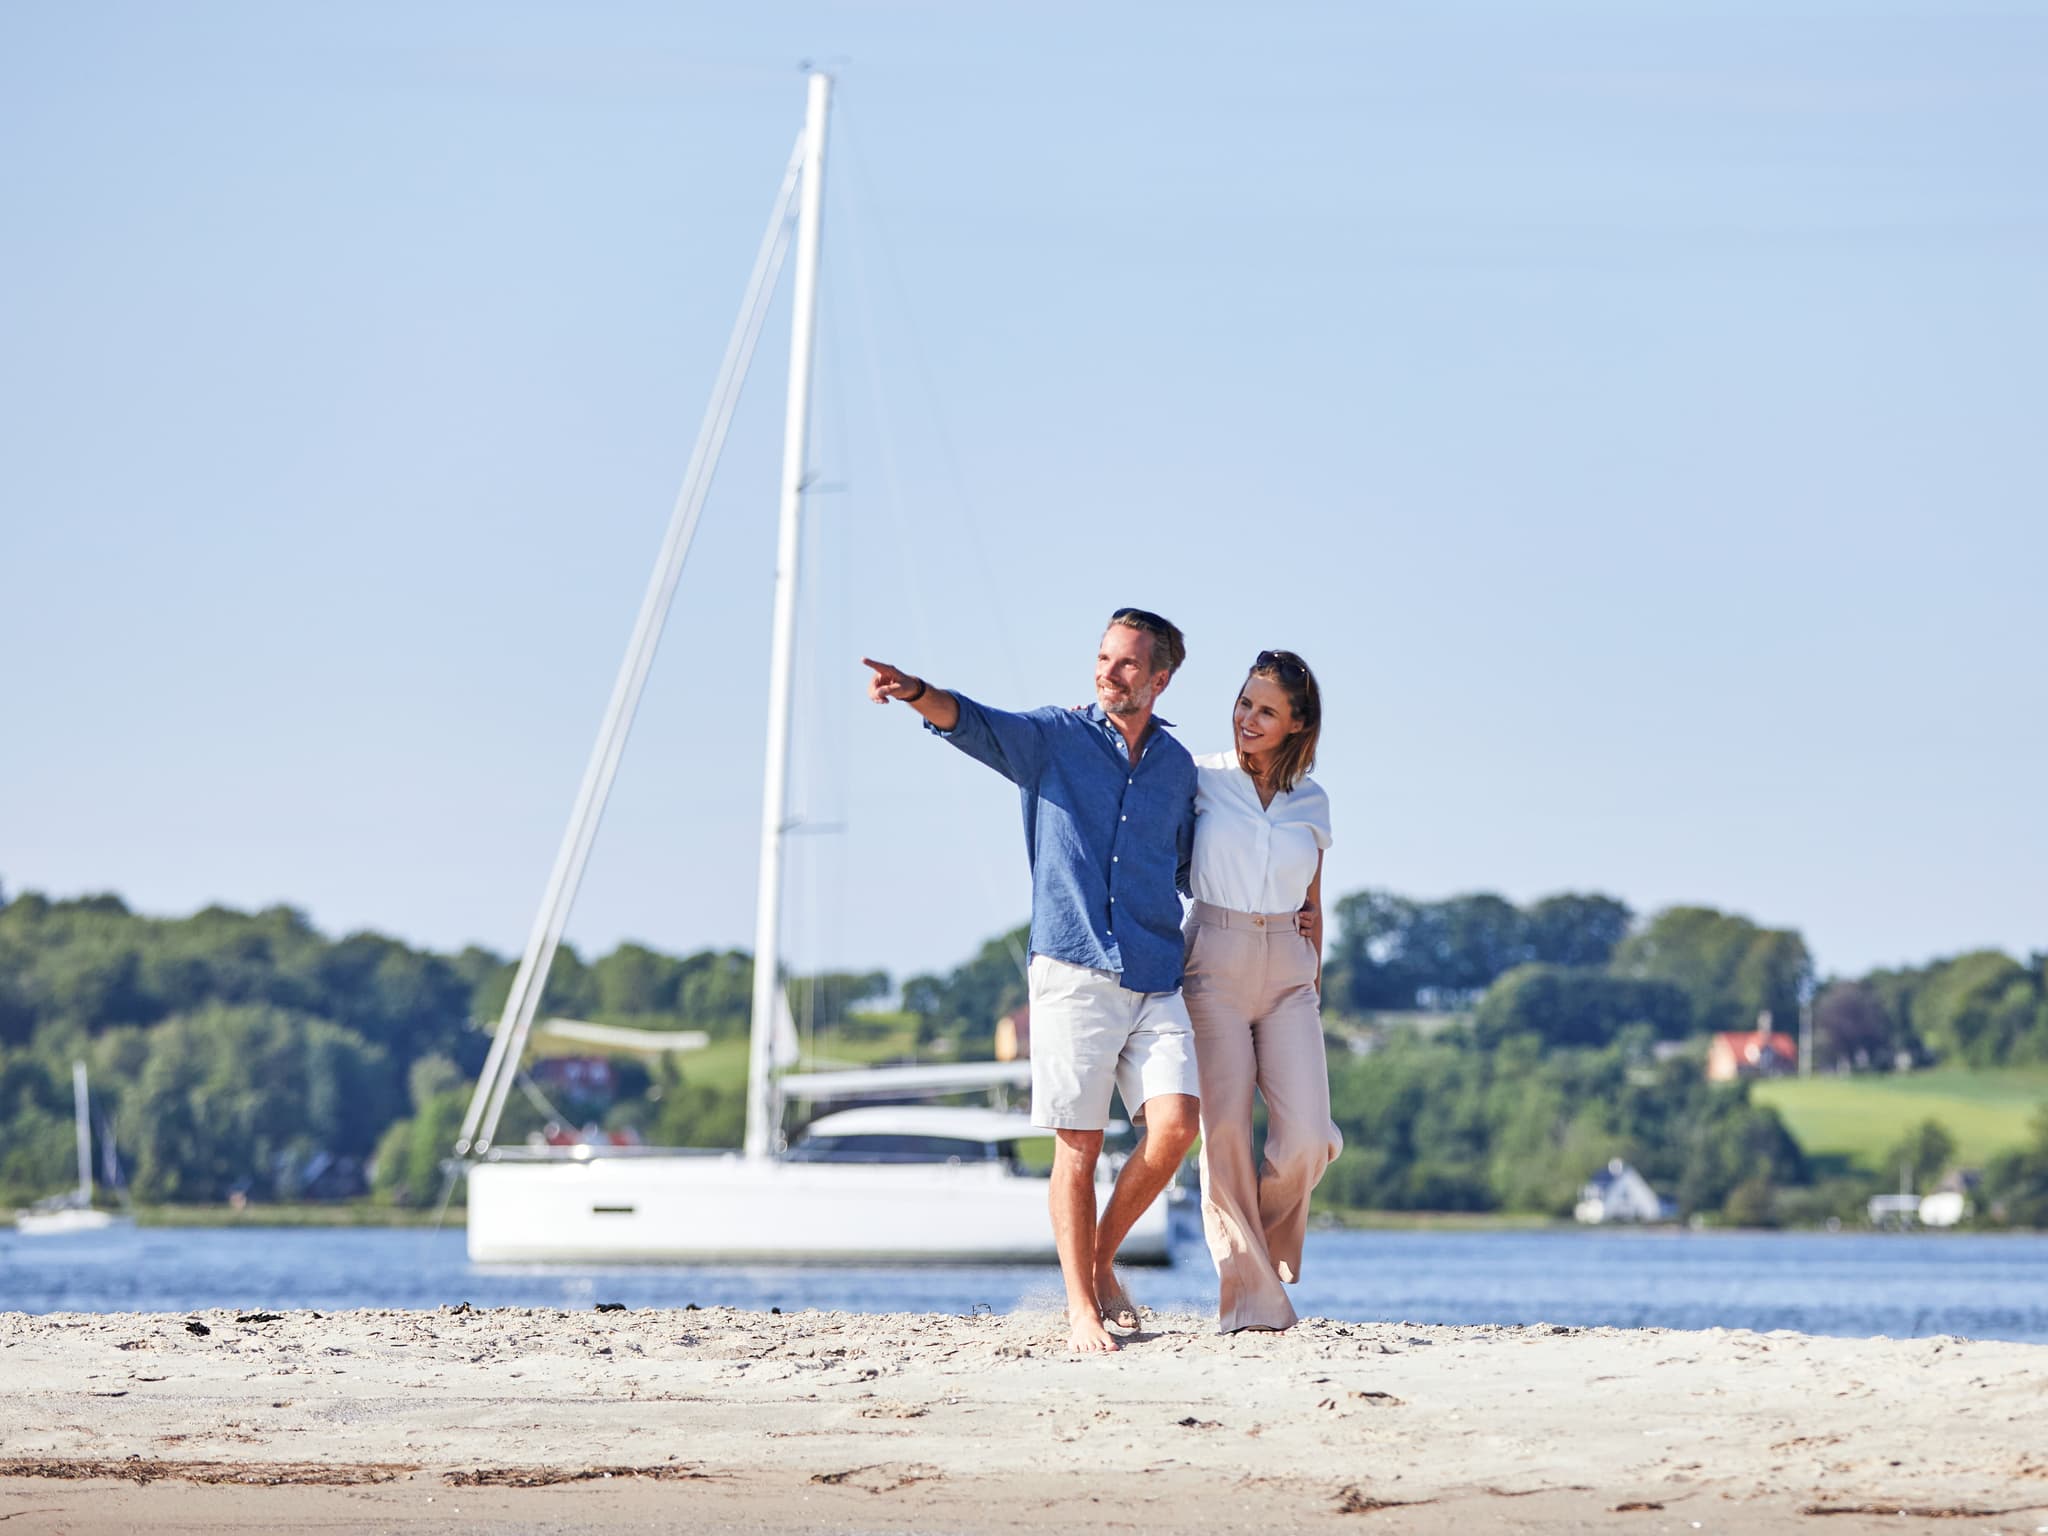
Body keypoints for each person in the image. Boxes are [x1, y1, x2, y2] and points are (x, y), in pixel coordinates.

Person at [862, 609, 1201, 1355]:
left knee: (1176, 1129)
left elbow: (1191, 866)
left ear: (1160, 677)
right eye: (1103, 658)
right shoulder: (1053, 738)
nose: (1107, 673)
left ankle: (1101, 1259)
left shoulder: (1178, 768)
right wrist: (916, 690)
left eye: (1126, 664)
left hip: (1154, 971)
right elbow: (972, 723)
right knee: (1077, 1145)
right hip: (1073, 968)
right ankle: (1082, 1309)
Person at [1184, 649, 1342, 1333]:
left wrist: (1313, 966)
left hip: (1288, 968)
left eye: (1266, 710)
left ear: (1296, 723)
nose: (1248, 718)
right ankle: (1249, 1298)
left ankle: (1261, 1244)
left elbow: (1314, 898)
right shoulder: (1201, 780)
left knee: (1309, 1138)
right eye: (1245, 702)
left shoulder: (1314, 800)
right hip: (1212, 958)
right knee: (1221, 1134)